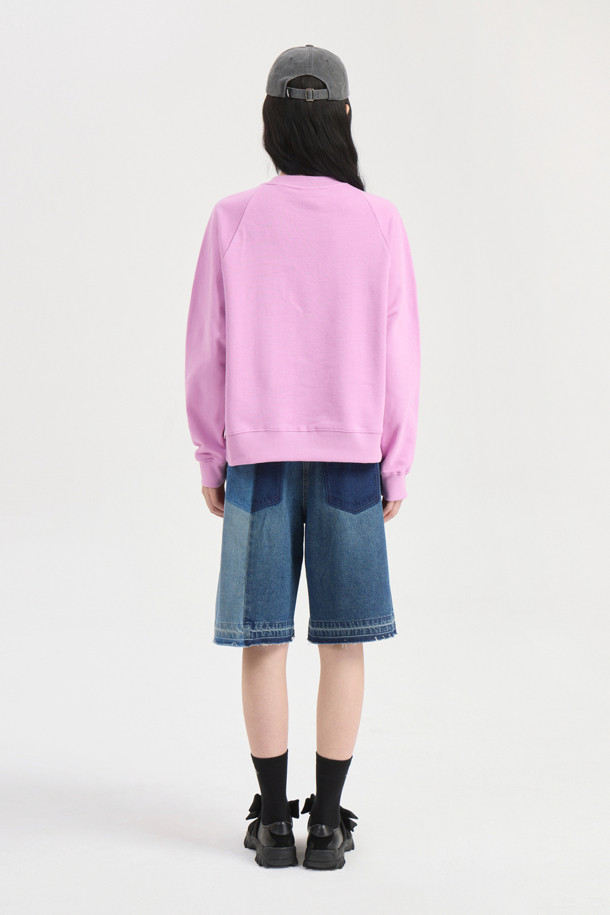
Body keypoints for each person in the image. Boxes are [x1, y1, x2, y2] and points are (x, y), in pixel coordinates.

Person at [184, 44, 420, 870]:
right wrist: (396, 461)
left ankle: (274, 822)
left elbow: (206, 351)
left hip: (258, 457)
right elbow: (400, 356)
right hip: (353, 456)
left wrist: (211, 454)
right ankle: (327, 822)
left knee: (265, 639)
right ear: (344, 118)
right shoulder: (380, 221)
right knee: (344, 640)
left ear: (270, 119)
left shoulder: (233, 218)